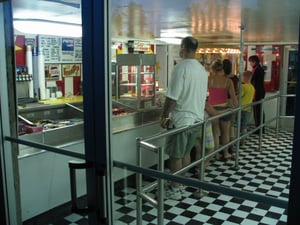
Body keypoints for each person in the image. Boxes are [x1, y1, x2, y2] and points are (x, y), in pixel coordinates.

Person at [160, 36, 208, 200]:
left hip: (181, 120)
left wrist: (164, 115)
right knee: (186, 153)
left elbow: (172, 97)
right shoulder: (201, 70)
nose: (179, 50)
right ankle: (180, 182)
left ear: (185, 48)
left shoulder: (180, 68)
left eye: (180, 47)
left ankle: (175, 188)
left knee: (176, 155)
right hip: (196, 118)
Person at [207, 60, 237, 160]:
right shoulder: (228, 81)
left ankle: (216, 154)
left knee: (215, 132)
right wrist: (236, 108)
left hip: (213, 109)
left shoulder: (209, 79)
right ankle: (226, 153)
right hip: (225, 108)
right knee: (226, 132)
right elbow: (233, 98)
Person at [223, 59, 239, 152]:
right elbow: (237, 92)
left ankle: (225, 147)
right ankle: (231, 145)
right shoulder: (235, 78)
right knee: (232, 125)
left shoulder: (224, 80)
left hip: (225, 102)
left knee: (225, 128)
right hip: (233, 102)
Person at [236, 70, 255, 145]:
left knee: (237, 125)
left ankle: (236, 141)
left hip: (241, 108)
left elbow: (240, 96)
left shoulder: (243, 86)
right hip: (248, 109)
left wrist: (233, 97)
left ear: (245, 78)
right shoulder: (252, 87)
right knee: (244, 126)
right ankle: (243, 141)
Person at [248, 55, 266, 133]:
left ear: (254, 62)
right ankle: (259, 127)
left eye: (250, 62)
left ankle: (259, 128)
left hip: (257, 92)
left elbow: (255, 82)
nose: (250, 64)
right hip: (259, 92)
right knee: (259, 110)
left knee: (257, 111)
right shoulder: (258, 69)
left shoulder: (258, 70)